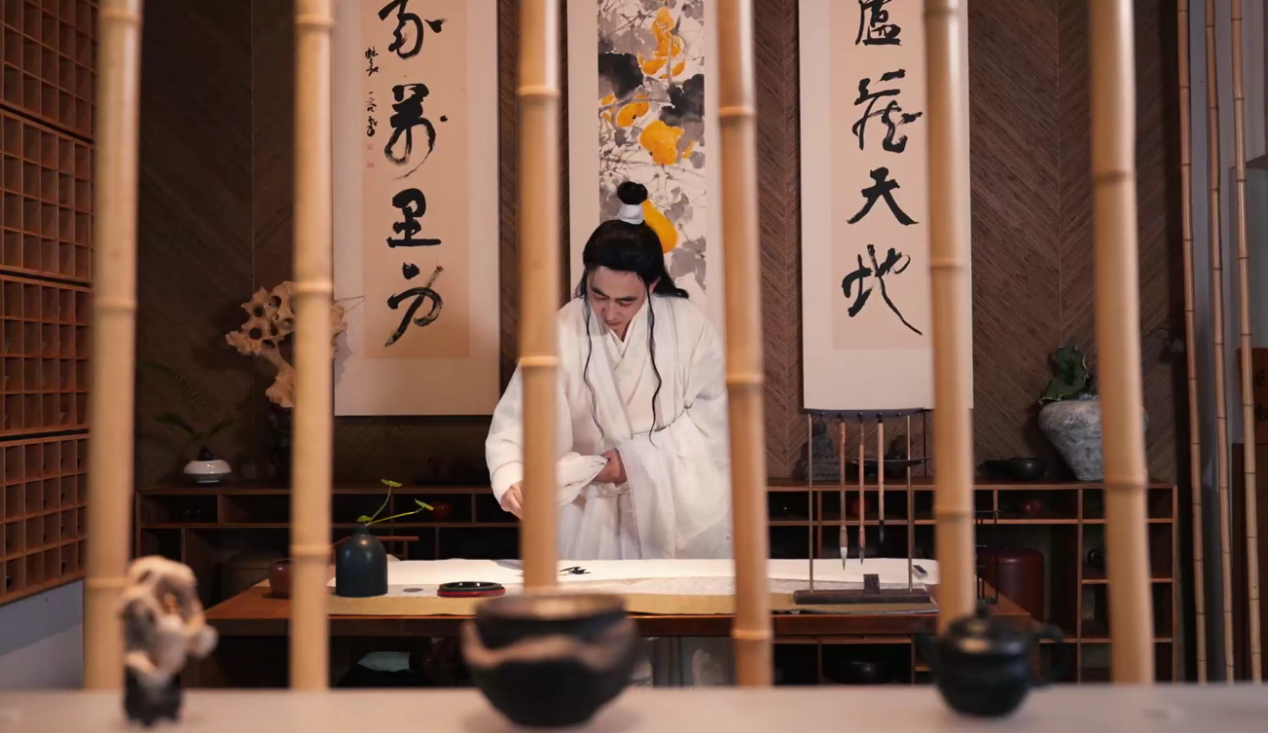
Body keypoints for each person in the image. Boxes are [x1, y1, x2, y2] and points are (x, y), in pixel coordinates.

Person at [485, 181, 733, 684]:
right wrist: (511, 476)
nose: (610, 312)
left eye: (625, 300)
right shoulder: (561, 327)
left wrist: (634, 462)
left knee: (683, 656)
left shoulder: (690, 327)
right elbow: (518, 417)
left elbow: (713, 422)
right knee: (592, 657)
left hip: (672, 511)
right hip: (587, 514)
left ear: (652, 286)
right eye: (598, 296)